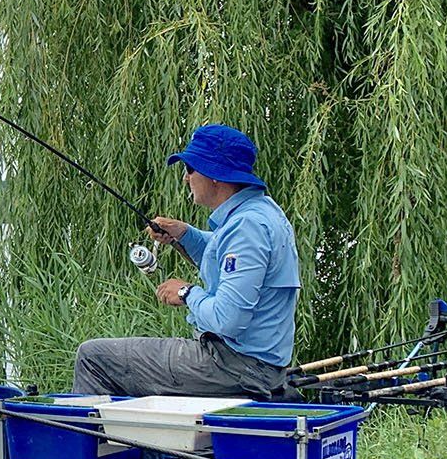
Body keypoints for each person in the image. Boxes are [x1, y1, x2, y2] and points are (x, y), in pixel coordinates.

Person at [74, 123, 300, 400]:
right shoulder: (261, 212)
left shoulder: (246, 228)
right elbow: (226, 260)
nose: (185, 178)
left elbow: (228, 320)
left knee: (93, 357)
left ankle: (88, 441)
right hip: (254, 363)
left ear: (214, 175)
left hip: (234, 366)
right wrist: (185, 235)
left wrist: (186, 293)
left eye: (190, 169)